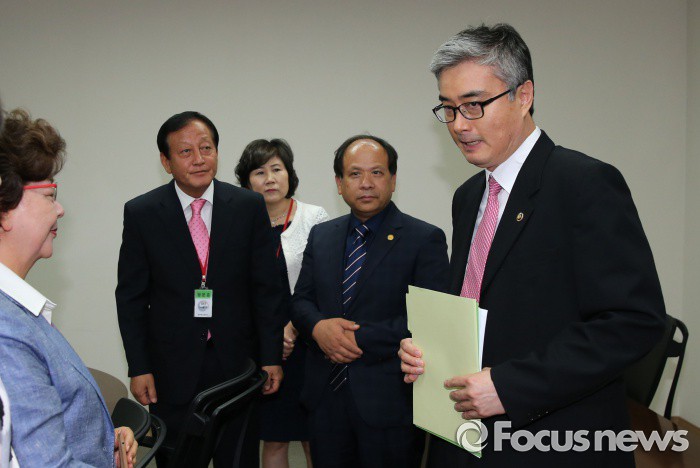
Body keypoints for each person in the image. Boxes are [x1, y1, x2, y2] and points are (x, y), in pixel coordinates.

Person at [399, 23, 666, 467]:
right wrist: (430, 350)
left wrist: (510, 385)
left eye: (474, 105)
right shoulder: (468, 196)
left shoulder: (584, 184)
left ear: (523, 96)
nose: (459, 125)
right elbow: (480, 305)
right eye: (448, 108)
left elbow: (633, 322)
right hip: (466, 435)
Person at [115, 111, 284, 467]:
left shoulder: (248, 206)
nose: (199, 159)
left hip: (238, 366)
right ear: (166, 161)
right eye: (185, 151)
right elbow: (131, 298)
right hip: (170, 369)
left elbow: (267, 289)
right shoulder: (143, 212)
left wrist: (271, 357)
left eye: (206, 148)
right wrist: (139, 366)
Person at [291, 135, 449, 467]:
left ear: (393, 179)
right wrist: (318, 328)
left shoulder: (424, 239)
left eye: (377, 172)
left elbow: (431, 320)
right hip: (325, 399)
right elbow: (301, 301)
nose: (366, 183)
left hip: (389, 402)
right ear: (339, 183)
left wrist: (357, 338)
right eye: (354, 174)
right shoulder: (322, 236)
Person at [0, 108, 137, 467]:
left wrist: (104, 441)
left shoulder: (18, 310)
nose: (60, 209)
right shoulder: (6, 329)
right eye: (50, 194)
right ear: (5, 206)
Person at [235, 138, 329, 468]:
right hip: (263, 346)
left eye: (277, 169)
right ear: (247, 181)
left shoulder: (314, 217)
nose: (270, 179)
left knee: (314, 436)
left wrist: (293, 328)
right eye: (260, 172)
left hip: (309, 342)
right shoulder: (240, 222)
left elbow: (324, 282)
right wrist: (271, 336)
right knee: (274, 437)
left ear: (290, 174)